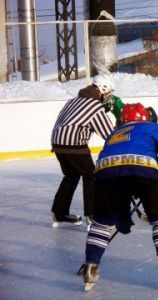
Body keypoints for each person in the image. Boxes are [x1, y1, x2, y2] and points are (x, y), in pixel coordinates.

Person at [78, 103, 158, 291]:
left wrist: (122, 212)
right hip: (144, 170)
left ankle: (91, 267)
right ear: (145, 117)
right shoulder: (152, 127)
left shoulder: (114, 134)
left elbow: (119, 165)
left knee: (102, 224)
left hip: (105, 173)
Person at [50, 76, 114, 227]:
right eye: (108, 92)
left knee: (71, 176)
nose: (108, 96)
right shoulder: (94, 105)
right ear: (102, 89)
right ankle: (92, 215)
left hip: (57, 142)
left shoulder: (72, 101)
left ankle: (59, 213)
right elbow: (108, 134)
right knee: (92, 176)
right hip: (74, 144)